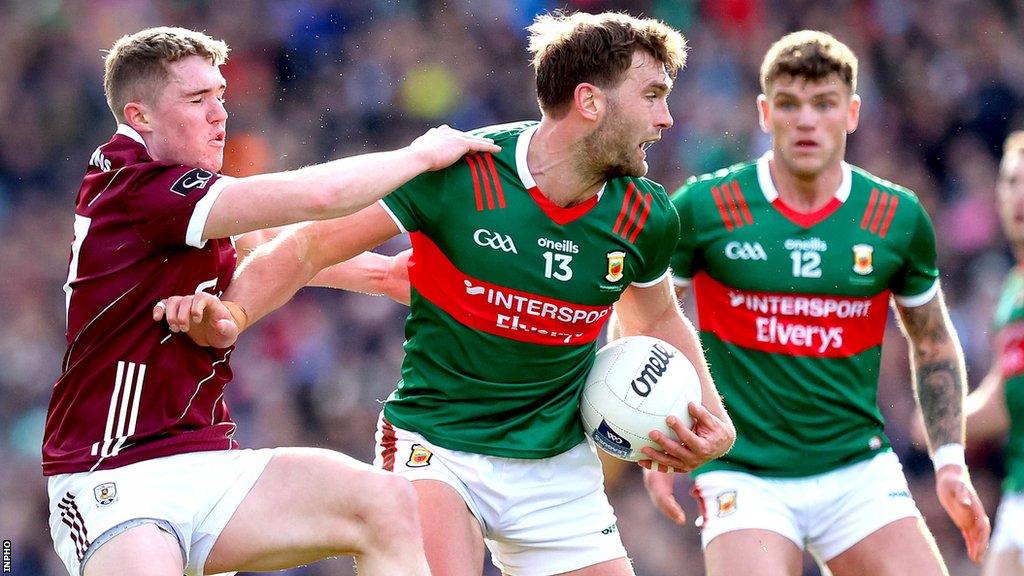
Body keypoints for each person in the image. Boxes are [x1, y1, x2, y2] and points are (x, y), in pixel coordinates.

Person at [165, 11, 736, 576]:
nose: (666, 117)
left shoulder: (645, 213)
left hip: (557, 463)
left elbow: (655, 316)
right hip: (438, 448)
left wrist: (711, 417)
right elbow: (310, 247)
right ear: (589, 102)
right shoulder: (459, 170)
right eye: (653, 94)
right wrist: (236, 313)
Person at [42, 26, 500, 576]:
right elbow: (320, 198)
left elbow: (271, 248)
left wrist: (385, 274)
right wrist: (420, 156)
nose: (219, 115)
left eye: (220, 96)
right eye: (196, 100)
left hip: (206, 463)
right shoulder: (138, 188)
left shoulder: (183, 194)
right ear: (140, 117)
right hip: (112, 475)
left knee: (384, 502)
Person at [640, 30, 991, 575]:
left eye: (824, 104)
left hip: (856, 470)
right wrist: (654, 440)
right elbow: (646, 313)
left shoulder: (896, 217)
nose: (806, 121)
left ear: (851, 112)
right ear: (764, 112)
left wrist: (949, 462)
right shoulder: (706, 206)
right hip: (741, 470)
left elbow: (933, 339)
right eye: (789, 104)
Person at [960, 130, 1024, 575]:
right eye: (1010, 182)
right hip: (1017, 487)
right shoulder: (1012, 290)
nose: (1019, 195)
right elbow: (1003, 395)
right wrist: (941, 423)